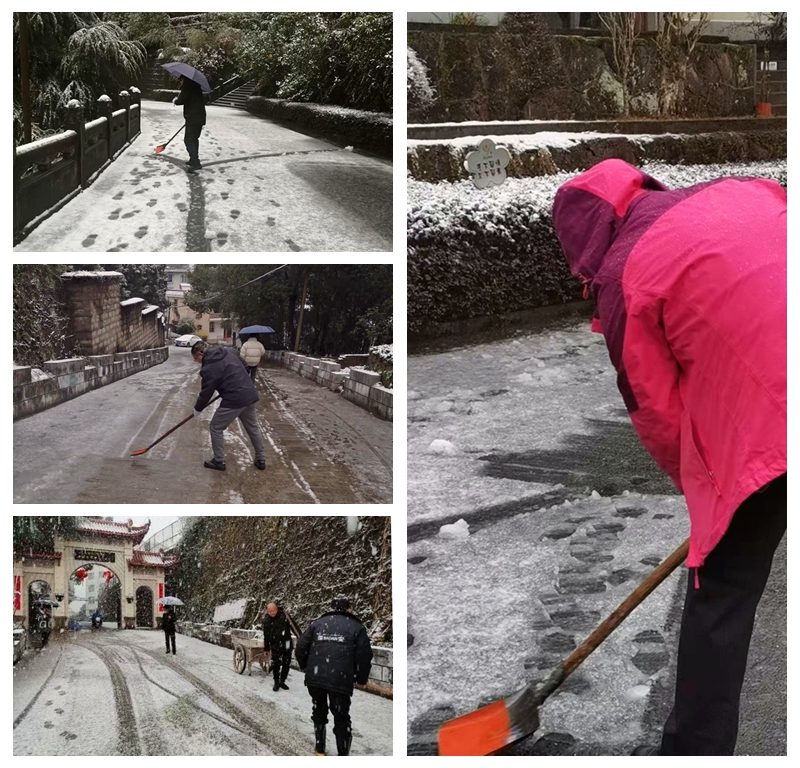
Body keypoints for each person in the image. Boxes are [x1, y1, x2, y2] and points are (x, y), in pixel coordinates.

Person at [552, 158, 786, 756]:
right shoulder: (744, 189)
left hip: (769, 431)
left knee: (722, 592)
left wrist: (710, 493)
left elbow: (658, 415)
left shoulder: (625, 274)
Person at [295, 597, 373, 756]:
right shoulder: (357, 627)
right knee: (341, 717)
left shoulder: (317, 624)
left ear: (331, 607)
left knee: (319, 710)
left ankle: (320, 749)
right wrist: (361, 679)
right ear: (348, 609)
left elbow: (301, 646)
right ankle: (343, 754)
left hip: (316, 678)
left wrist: (306, 666)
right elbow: (364, 655)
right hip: (341, 680)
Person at [191, 340, 266, 471]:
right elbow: (246, 366)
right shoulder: (228, 351)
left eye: (195, 359)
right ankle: (261, 459)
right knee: (253, 427)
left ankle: (219, 461)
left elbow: (206, 392)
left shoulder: (208, 368)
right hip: (248, 393)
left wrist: (198, 409)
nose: (196, 361)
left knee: (216, 427)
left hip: (234, 399)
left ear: (201, 354)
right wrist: (237, 380)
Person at [174, 75, 207, 171]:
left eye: (180, 80)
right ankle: (193, 159)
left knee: (188, 140)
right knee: (194, 139)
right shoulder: (196, 87)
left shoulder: (188, 88)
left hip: (193, 118)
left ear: (184, 79)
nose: (180, 82)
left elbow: (182, 100)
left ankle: (196, 162)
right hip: (199, 117)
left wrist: (176, 100)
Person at [263, 602, 294, 692]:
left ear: (277, 608)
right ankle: (276, 682)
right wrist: (266, 648)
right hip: (275, 644)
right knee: (276, 664)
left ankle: (282, 681)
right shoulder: (266, 621)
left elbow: (293, 626)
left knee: (286, 663)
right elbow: (266, 636)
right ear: (267, 611)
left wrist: (300, 638)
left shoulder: (284, 616)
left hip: (287, 643)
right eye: (270, 611)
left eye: (274, 610)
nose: (273, 613)